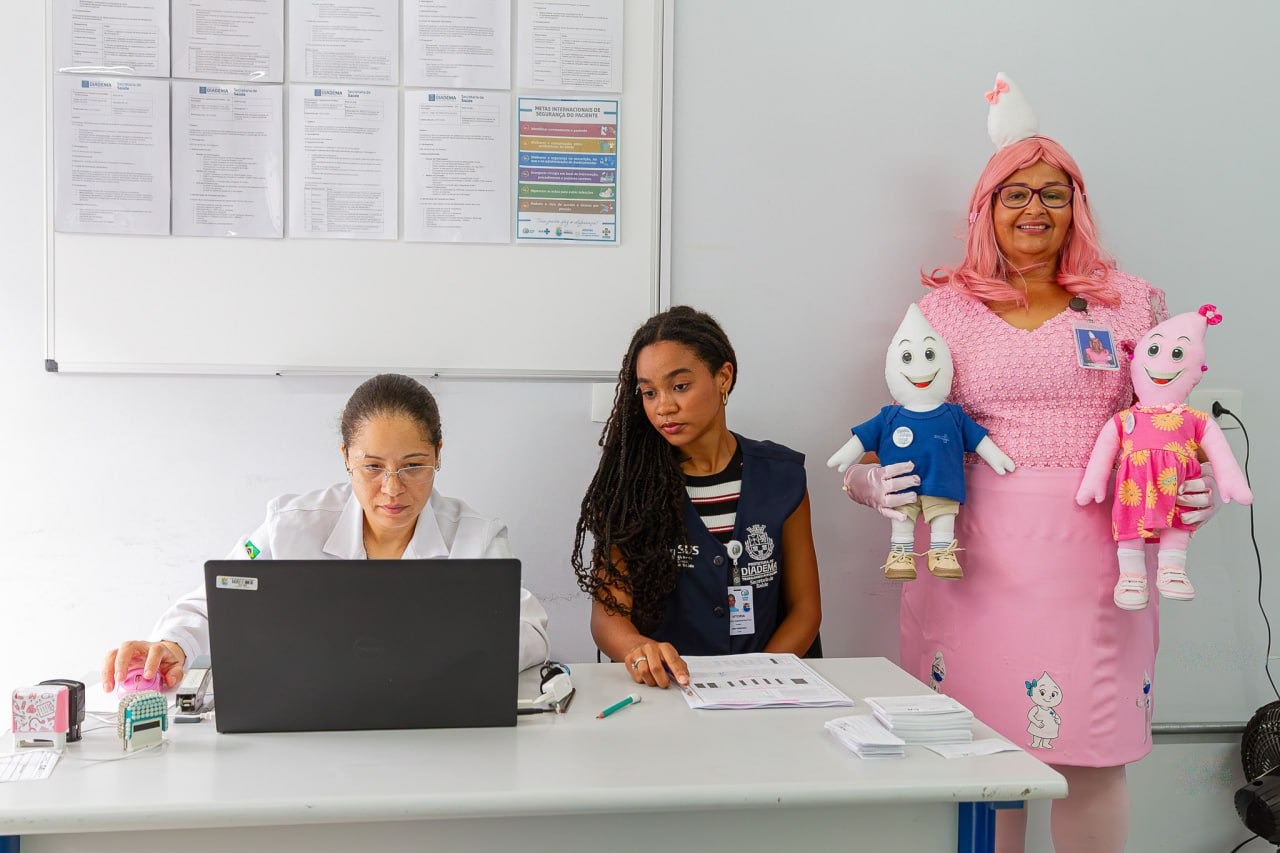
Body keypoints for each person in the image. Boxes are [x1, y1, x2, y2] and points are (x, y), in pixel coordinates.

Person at [837, 75, 1220, 853]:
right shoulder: (944, 311)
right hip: (972, 562)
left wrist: (1195, 484)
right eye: (1015, 194)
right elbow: (897, 429)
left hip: (1099, 561)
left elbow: (1160, 417)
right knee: (983, 763)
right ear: (986, 208)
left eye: (1053, 193)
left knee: (1093, 757)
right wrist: (867, 481)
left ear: (1077, 205)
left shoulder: (1130, 302)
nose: (1034, 210)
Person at [103, 373, 551, 690]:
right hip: (311, 717)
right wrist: (173, 644)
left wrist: (439, 650)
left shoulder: (477, 537)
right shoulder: (291, 524)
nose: (392, 488)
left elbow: (530, 630)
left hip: (433, 717)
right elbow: (218, 595)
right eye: (372, 467)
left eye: (413, 466)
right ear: (346, 458)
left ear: (438, 454)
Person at [573, 306, 822, 689]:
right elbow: (608, 618)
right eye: (649, 392)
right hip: (670, 691)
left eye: (680, 386)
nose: (664, 407)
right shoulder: (628, 489)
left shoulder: (783, 477)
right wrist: (638, 648)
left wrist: (757, 680)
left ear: (723, 377)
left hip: (770, 689)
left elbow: (805, 611)